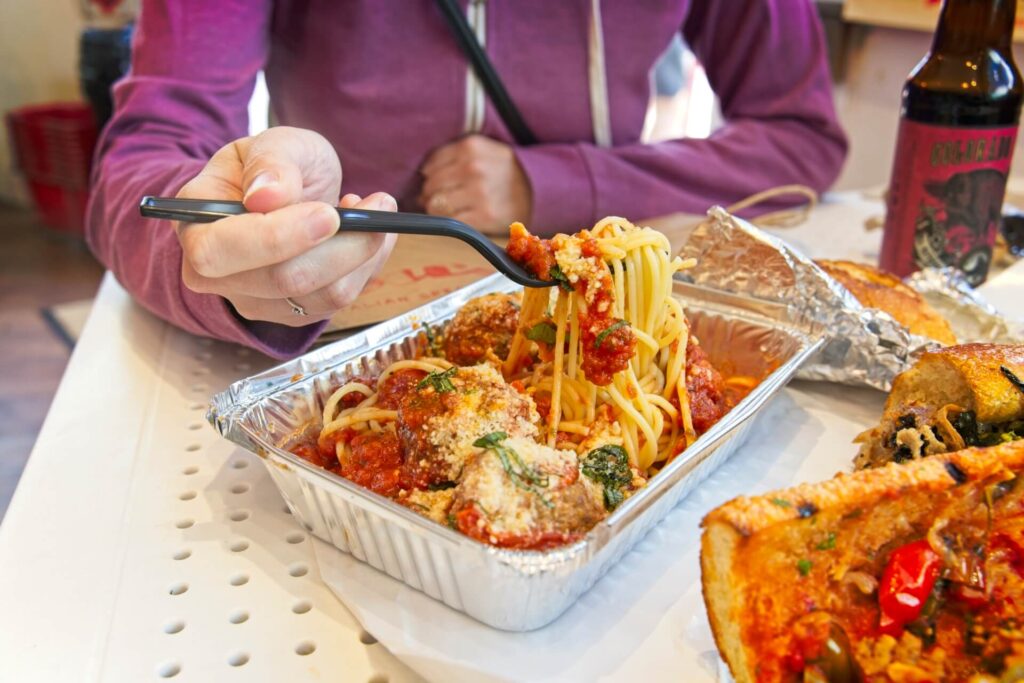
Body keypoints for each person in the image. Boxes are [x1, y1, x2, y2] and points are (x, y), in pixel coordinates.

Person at [86, 1, 847, 360]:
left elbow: (799, 136)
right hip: (333, 329)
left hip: (606, 308)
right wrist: (231, 251)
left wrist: (557, 183)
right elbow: (147, 152)